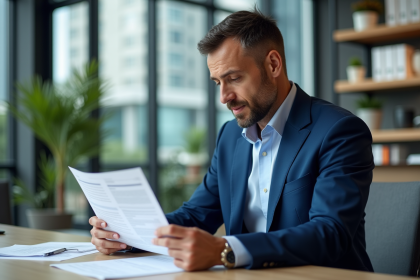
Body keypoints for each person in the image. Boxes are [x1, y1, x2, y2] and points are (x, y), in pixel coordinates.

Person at [89, 9, 374, 272]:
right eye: (217, 83)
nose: (224, 96)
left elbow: (330, 232)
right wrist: (127, 234)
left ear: (273, 64)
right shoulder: (230, 136)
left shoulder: (339, 131)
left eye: (234, 78)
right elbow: (198, 215)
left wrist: (225, 249)